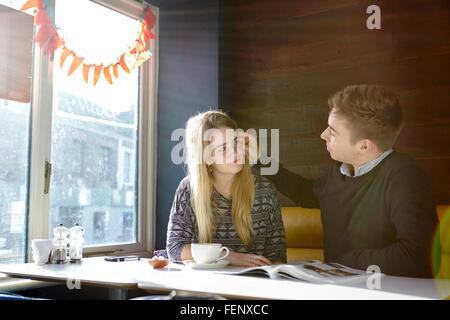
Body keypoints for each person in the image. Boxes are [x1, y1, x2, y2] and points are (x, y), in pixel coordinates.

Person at [262, 85, 440, 278]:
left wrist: (342, 263)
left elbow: (415, 256)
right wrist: (259, 160)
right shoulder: (339, 172)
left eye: (333, 131)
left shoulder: (405, 176)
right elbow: (304, 193)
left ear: (364, 146)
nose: (323, 135)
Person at [166, 110, 286, 267]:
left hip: (253, 286)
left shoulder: (265, 189)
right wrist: (229, 256)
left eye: (236, 142)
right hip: (205, 287)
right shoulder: (189, 189)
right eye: (223, 148)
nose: (236, 152)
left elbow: (277, 255)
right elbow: (175, 249)